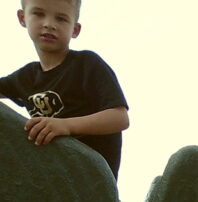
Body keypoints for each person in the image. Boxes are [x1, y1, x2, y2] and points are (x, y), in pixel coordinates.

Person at [0, 0, 129, 178]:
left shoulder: (87, 64)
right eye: (39, 14)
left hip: (89, 181)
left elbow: (119, 118)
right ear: (22, 18)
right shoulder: (25, 77)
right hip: (49, 177)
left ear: (75, 30)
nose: (49, 24)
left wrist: (65, 125)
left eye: (61, 19)